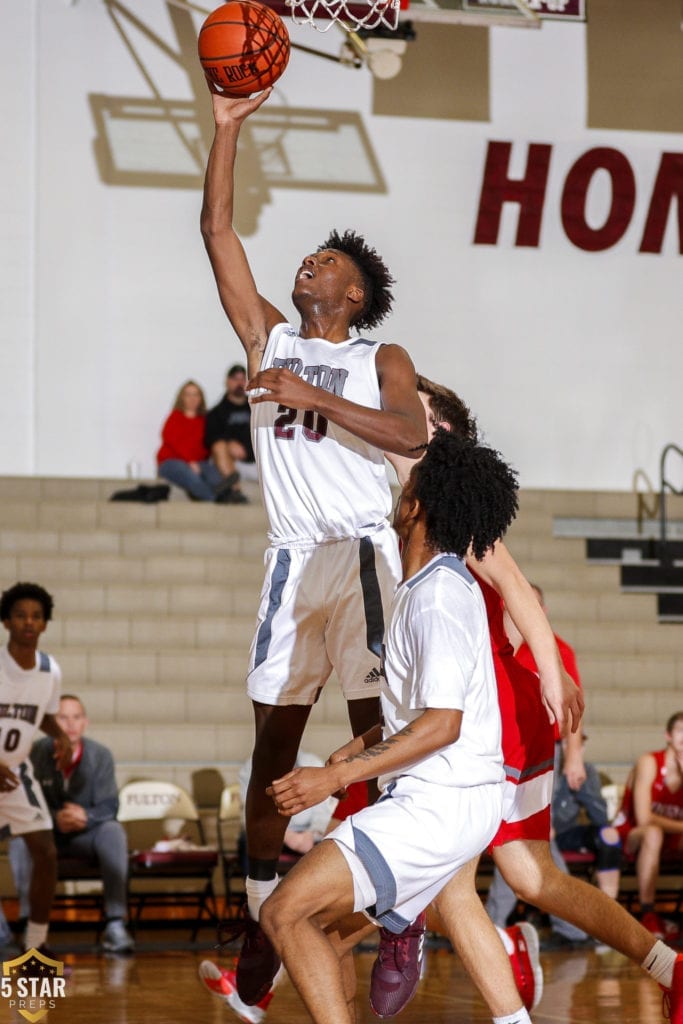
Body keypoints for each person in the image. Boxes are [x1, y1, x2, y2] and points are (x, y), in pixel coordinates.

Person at [200, 84, 427, 1004]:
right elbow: (217, 232)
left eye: (325, 259)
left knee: (375, 743)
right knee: (270, 754)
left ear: (354, 294)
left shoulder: (380, 358)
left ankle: (397, 916)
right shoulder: (266, 338)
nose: (307, 261)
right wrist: (225, 130)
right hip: (292, 558)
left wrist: (313, 397)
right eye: (306, 254)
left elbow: (409, 437)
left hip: (367, 556)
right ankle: (264, 935)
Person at [374, 375, 683, 1020]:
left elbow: (520, 591)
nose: (396, 415)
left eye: (415, 412)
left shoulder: (456, 508)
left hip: (488, 714)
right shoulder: (397, 487)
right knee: (526, 876)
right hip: (457, 704)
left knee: (461, 875)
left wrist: (551, 669)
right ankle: (663, 965)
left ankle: (308, 942)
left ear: (444, 433)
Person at [260, 429, 539, 1024]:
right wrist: (345, 759)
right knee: (325, 932)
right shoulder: (426, 589)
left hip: (439, 803)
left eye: (405, 483)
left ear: (416, 507)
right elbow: (415, 714)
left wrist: (330, 782)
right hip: (453, 800)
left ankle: (401, 938)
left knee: (286, 913)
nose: (396, 488)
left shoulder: (437, 597)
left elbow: (442, 725)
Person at [13, 694, 134, 955]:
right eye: (62, 717)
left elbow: (110, 804)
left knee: (113, 831)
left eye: (76, 717)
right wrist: (56, 817)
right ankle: (28, 924)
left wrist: (86, 817)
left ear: (85, 722)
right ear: (51, 724)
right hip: (46, 834)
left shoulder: (100, 755)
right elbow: (27, 800)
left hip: (86, 834)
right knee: (21, 839)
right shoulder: (35, 753)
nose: (70, 724)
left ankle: (115, 923)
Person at [0, 581, 70, 956]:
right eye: (20, 615)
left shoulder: (49, 670)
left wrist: (59, 734)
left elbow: (41, 714)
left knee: (45, 851)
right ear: (6, 622)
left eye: (36, 616)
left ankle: (36, 945)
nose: (29, 622)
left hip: (14, 774)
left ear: (44, 624)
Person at [614, 711, 683, 940]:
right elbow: (644, 818)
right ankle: (648, 913)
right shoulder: (650, 762)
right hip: (631, 836)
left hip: (668, 839)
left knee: (658, 834)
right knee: (653, 832)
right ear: (668, 735)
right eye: (680, 730)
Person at [157, 379, 238, 502]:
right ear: (182, 398)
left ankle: (228, 493)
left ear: (201, 398)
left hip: (199, 463)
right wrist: (190, 462)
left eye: (195, 394)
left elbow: (208, 446)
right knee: (191, 476)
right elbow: (174, 443)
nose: (192, 398)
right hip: (171, 463)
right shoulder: (175, 417)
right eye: (188, 394)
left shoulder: (205, 420)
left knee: (213, 474)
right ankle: (214, 498)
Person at [205, 364, 256, 502]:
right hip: (229, 463)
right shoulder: (215, 413)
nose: (239, 383)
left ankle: (230, 490)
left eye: (242, 379)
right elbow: (210, 439)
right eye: (235, 379)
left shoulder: (257, 408)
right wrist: (229, 443)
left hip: (255, 463)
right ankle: (235, 490)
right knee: (219, 446)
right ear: (227, 382)